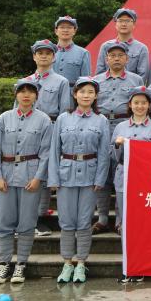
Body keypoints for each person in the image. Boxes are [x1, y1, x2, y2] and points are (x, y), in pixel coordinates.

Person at [0, 79, 52, 284]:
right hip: (6, 176)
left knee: (26, 223)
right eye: (22, 91)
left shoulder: (43, 120)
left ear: (36, 96)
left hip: (30, 177)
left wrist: (38, 178)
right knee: (4, 222)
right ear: (16, 95)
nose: (26, 95)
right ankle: (4, 264)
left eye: (30, 92)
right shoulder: (4, 118)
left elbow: (46, 152)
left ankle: (21, 265)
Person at [49, 76, 110, 284]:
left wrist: (100, 178)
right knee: (66, 222)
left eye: (90, 92)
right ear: (75, 94)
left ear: (96, 96)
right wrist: (53, 178)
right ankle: (67, 263)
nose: (86, 95)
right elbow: (54, 150)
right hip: (65, 175)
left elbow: (104, 153)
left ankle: (81, 263)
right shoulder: (63, 119)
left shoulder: (101, 121)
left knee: (84, 222)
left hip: (89, 177)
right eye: (82, 91)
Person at [111, 85, 151, 283]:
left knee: (145, 222)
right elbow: (114, 156)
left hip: (147, 179)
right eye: (136, 103)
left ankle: (143, 264)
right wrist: (118, 145)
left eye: (144, 103)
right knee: (126, 222)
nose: (140, 106)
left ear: (149, 105)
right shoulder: (120, 127)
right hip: (124, 177)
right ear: (130, 105)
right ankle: (128, 265)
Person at [93, 41, 145, 233]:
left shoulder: (136, 80)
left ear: (127, 59)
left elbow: (141, 103)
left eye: (120, 55)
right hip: (102, 125)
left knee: (124, 170)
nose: (116, 58)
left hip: (126, 127)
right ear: (106, 59)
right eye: (112, 55)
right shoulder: (96, 81)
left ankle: (121, 220)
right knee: (103, 171)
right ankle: (102, 217)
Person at [25, 39, 69, 235]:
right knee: (29, 171)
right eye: (40, 53)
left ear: (54, 57)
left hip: (51, 129)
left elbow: (64, 112)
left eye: (48, 53)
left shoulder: (61, 82)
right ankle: (27, 217)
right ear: (34, 57)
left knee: (45, 172)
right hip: (28, 131)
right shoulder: (25, 82)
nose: (43, 56)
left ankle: (40, 216)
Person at [95, 8, 149, 78]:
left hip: (132, 84)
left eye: (127, 21)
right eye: (120, 21)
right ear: (115, 24)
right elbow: (99, 74)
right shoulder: (106, 46)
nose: (123, 24)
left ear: (134, 24)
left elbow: (142, 76)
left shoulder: (141, 48)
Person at [53, 16, 91, 85]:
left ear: (74, 31)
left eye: (69, 27)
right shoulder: (49, 52)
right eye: (62, 27)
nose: (65, 30)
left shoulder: (83, 53)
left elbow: (86, 82)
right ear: (56, 31)